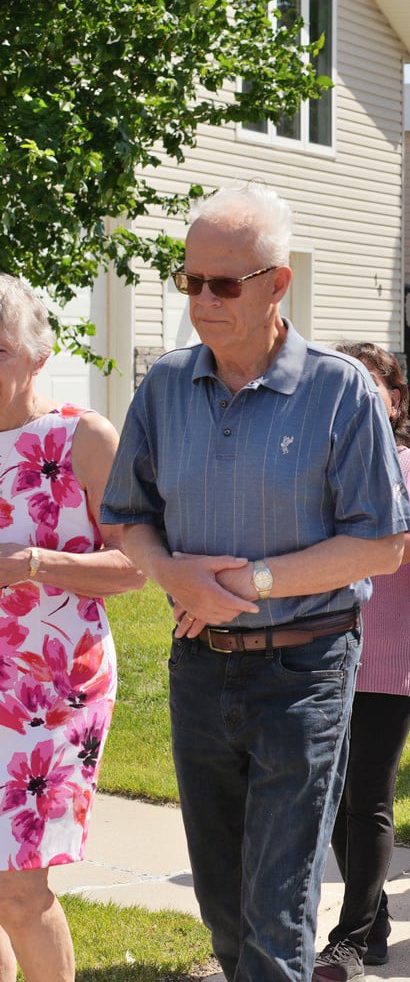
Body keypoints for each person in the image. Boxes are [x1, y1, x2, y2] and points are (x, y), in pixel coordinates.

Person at [101, 185, 410, 978]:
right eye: (190, 280)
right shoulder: (167, 386)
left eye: (224, 284)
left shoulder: (341, 390)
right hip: (199, 668)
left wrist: (253, 581)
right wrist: (173, 574)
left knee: (276, 914)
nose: (202, 301)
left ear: (278, 285)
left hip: (304, 670)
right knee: (224, 908)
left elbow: (381, 543)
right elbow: (125, 517)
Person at [0, 276, 145, 980]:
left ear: (37, 352)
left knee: (21, 891)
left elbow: (137, 566)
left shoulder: (82, 437)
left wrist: (34, 563)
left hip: (53, 694)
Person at [316, 344, 410, 977]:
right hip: (317, 653)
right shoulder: (317, 466)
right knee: (331, 803)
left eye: (370, 387)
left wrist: (406, 547)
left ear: (396, 400)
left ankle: (350, 936)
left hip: (390, 658)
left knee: (368, 795)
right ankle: (373, 917)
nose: (355, 397)